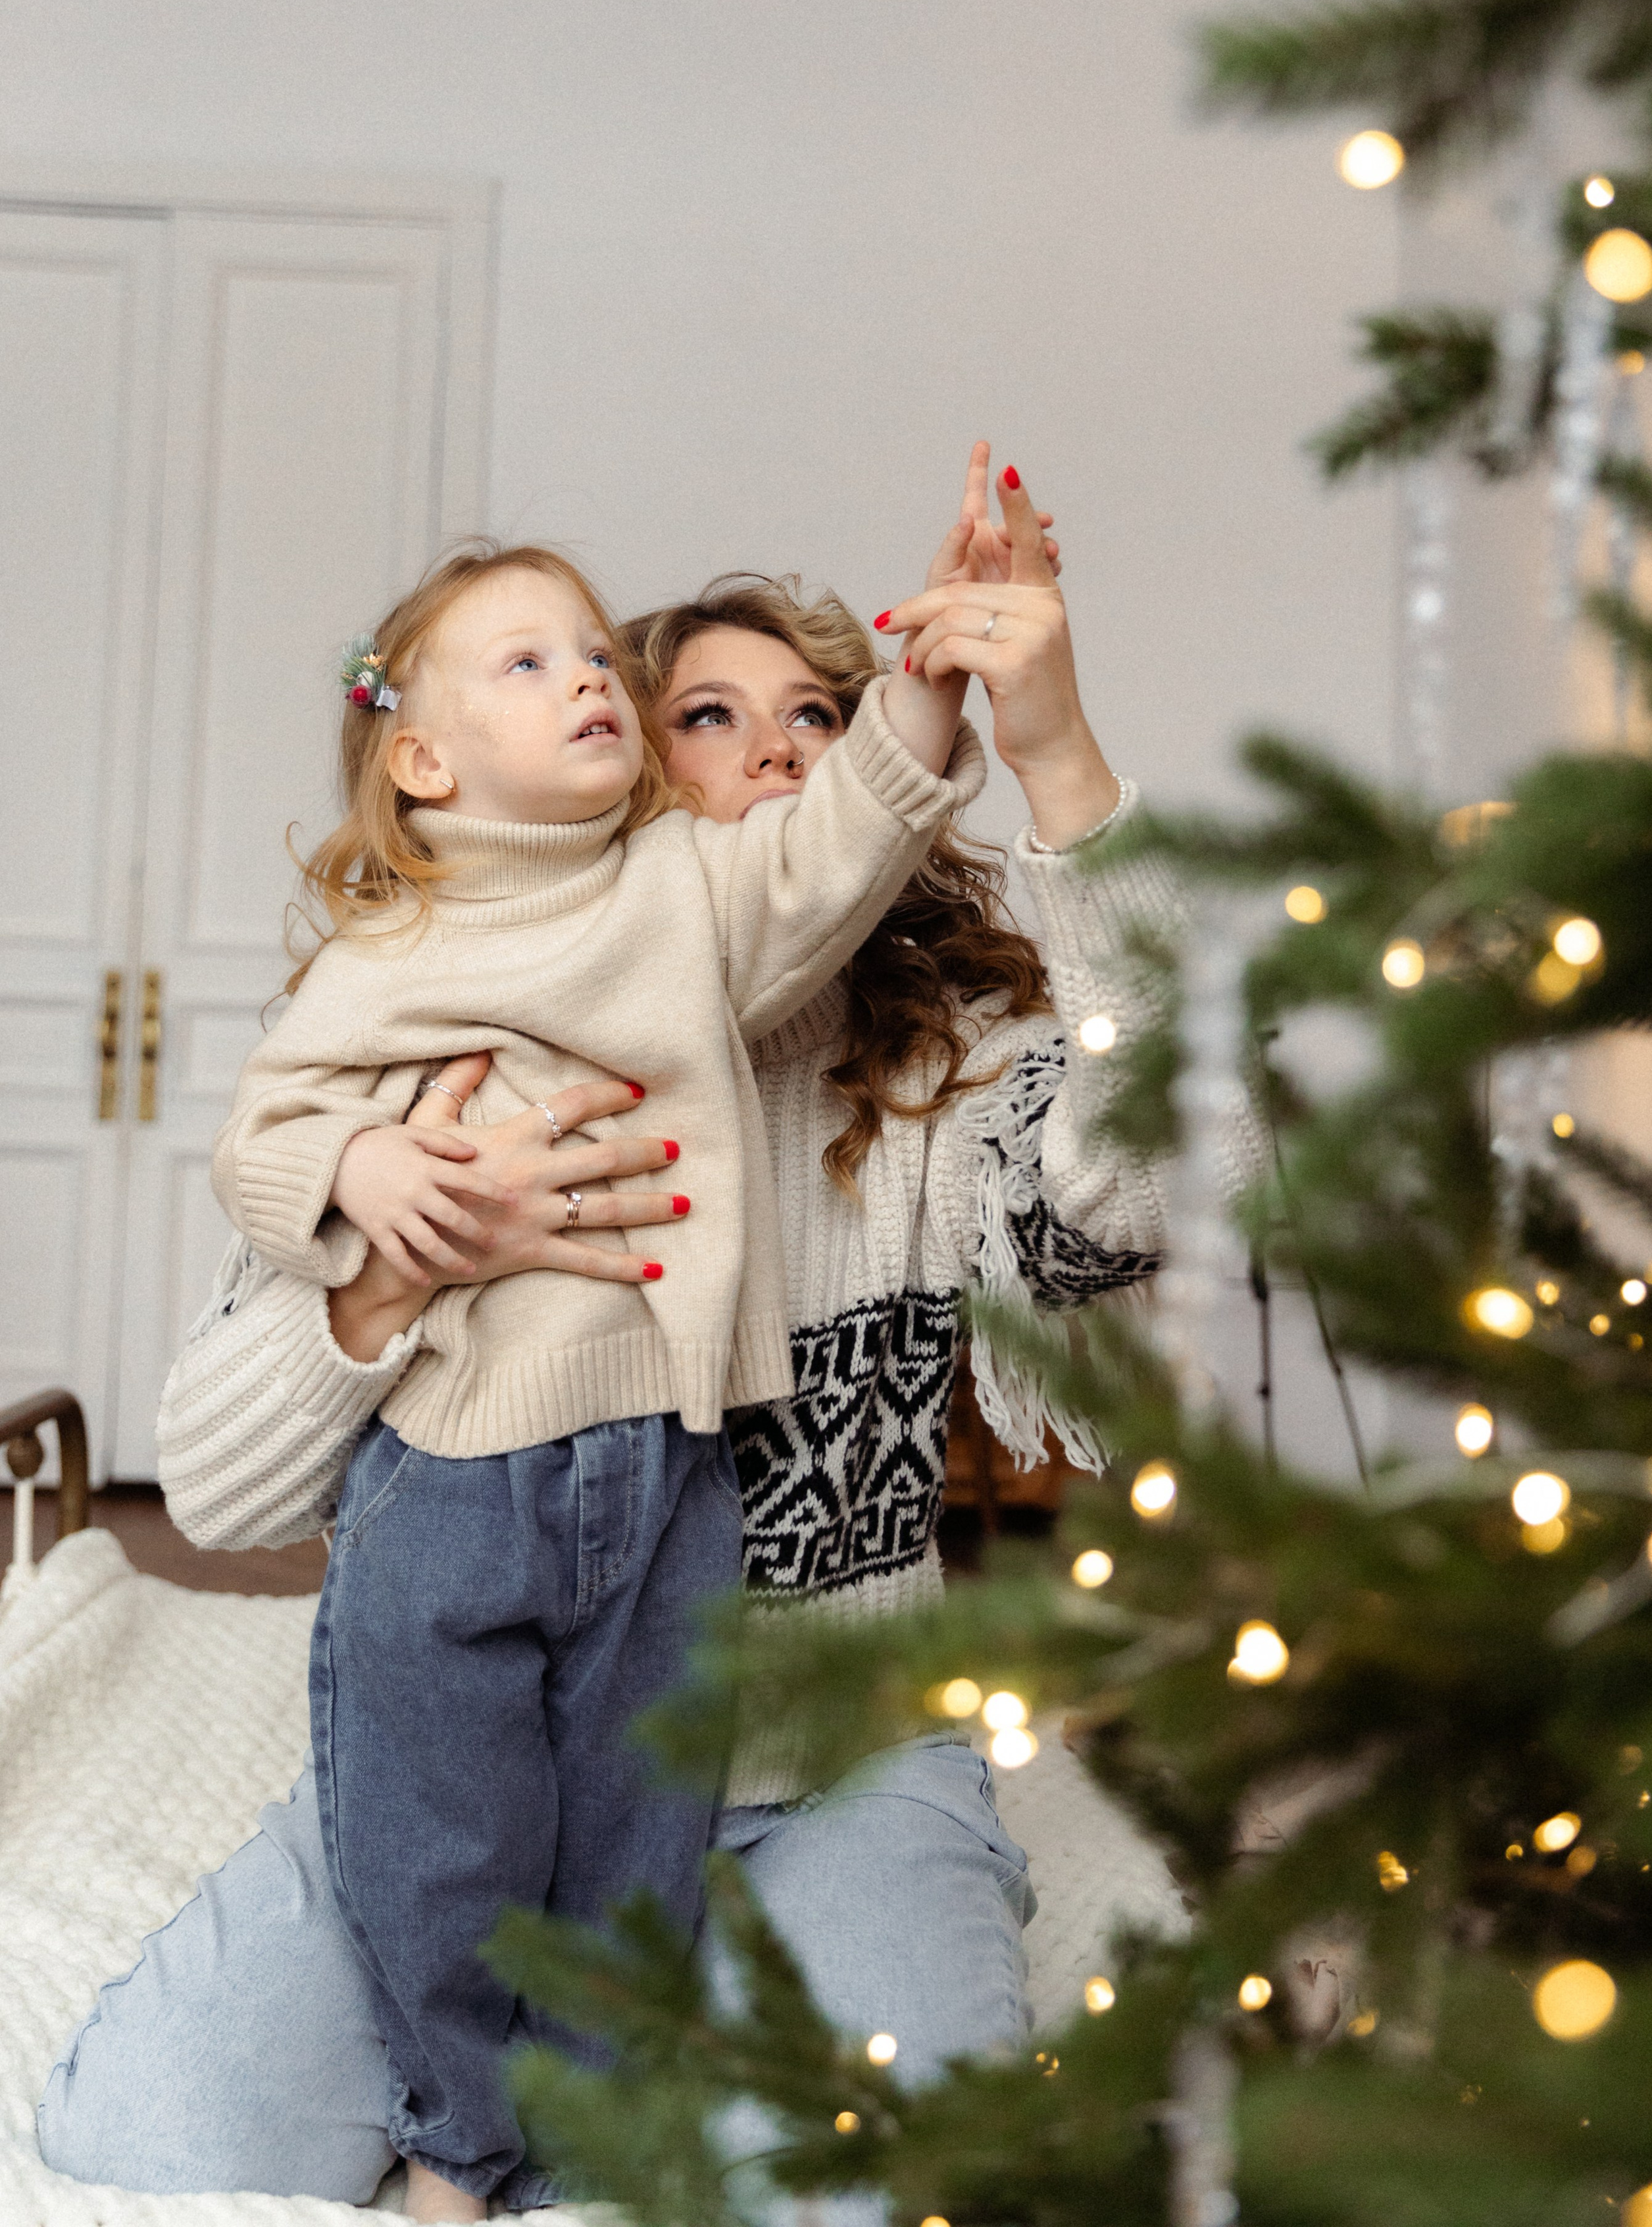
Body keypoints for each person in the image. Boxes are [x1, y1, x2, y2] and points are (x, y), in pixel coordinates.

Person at [39, 449, 1185, 2216]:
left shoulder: (944, 1084)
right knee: (160, 2141)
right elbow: (211, 1485)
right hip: (494, 1770)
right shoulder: (462, 1049)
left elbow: (1168, 1190)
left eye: (820, 712)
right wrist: (401, 1260)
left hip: (828, 1772)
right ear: (623, 779)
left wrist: (1052, 756)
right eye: (709, 713)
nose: (785, 748)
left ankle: (688, 2022)